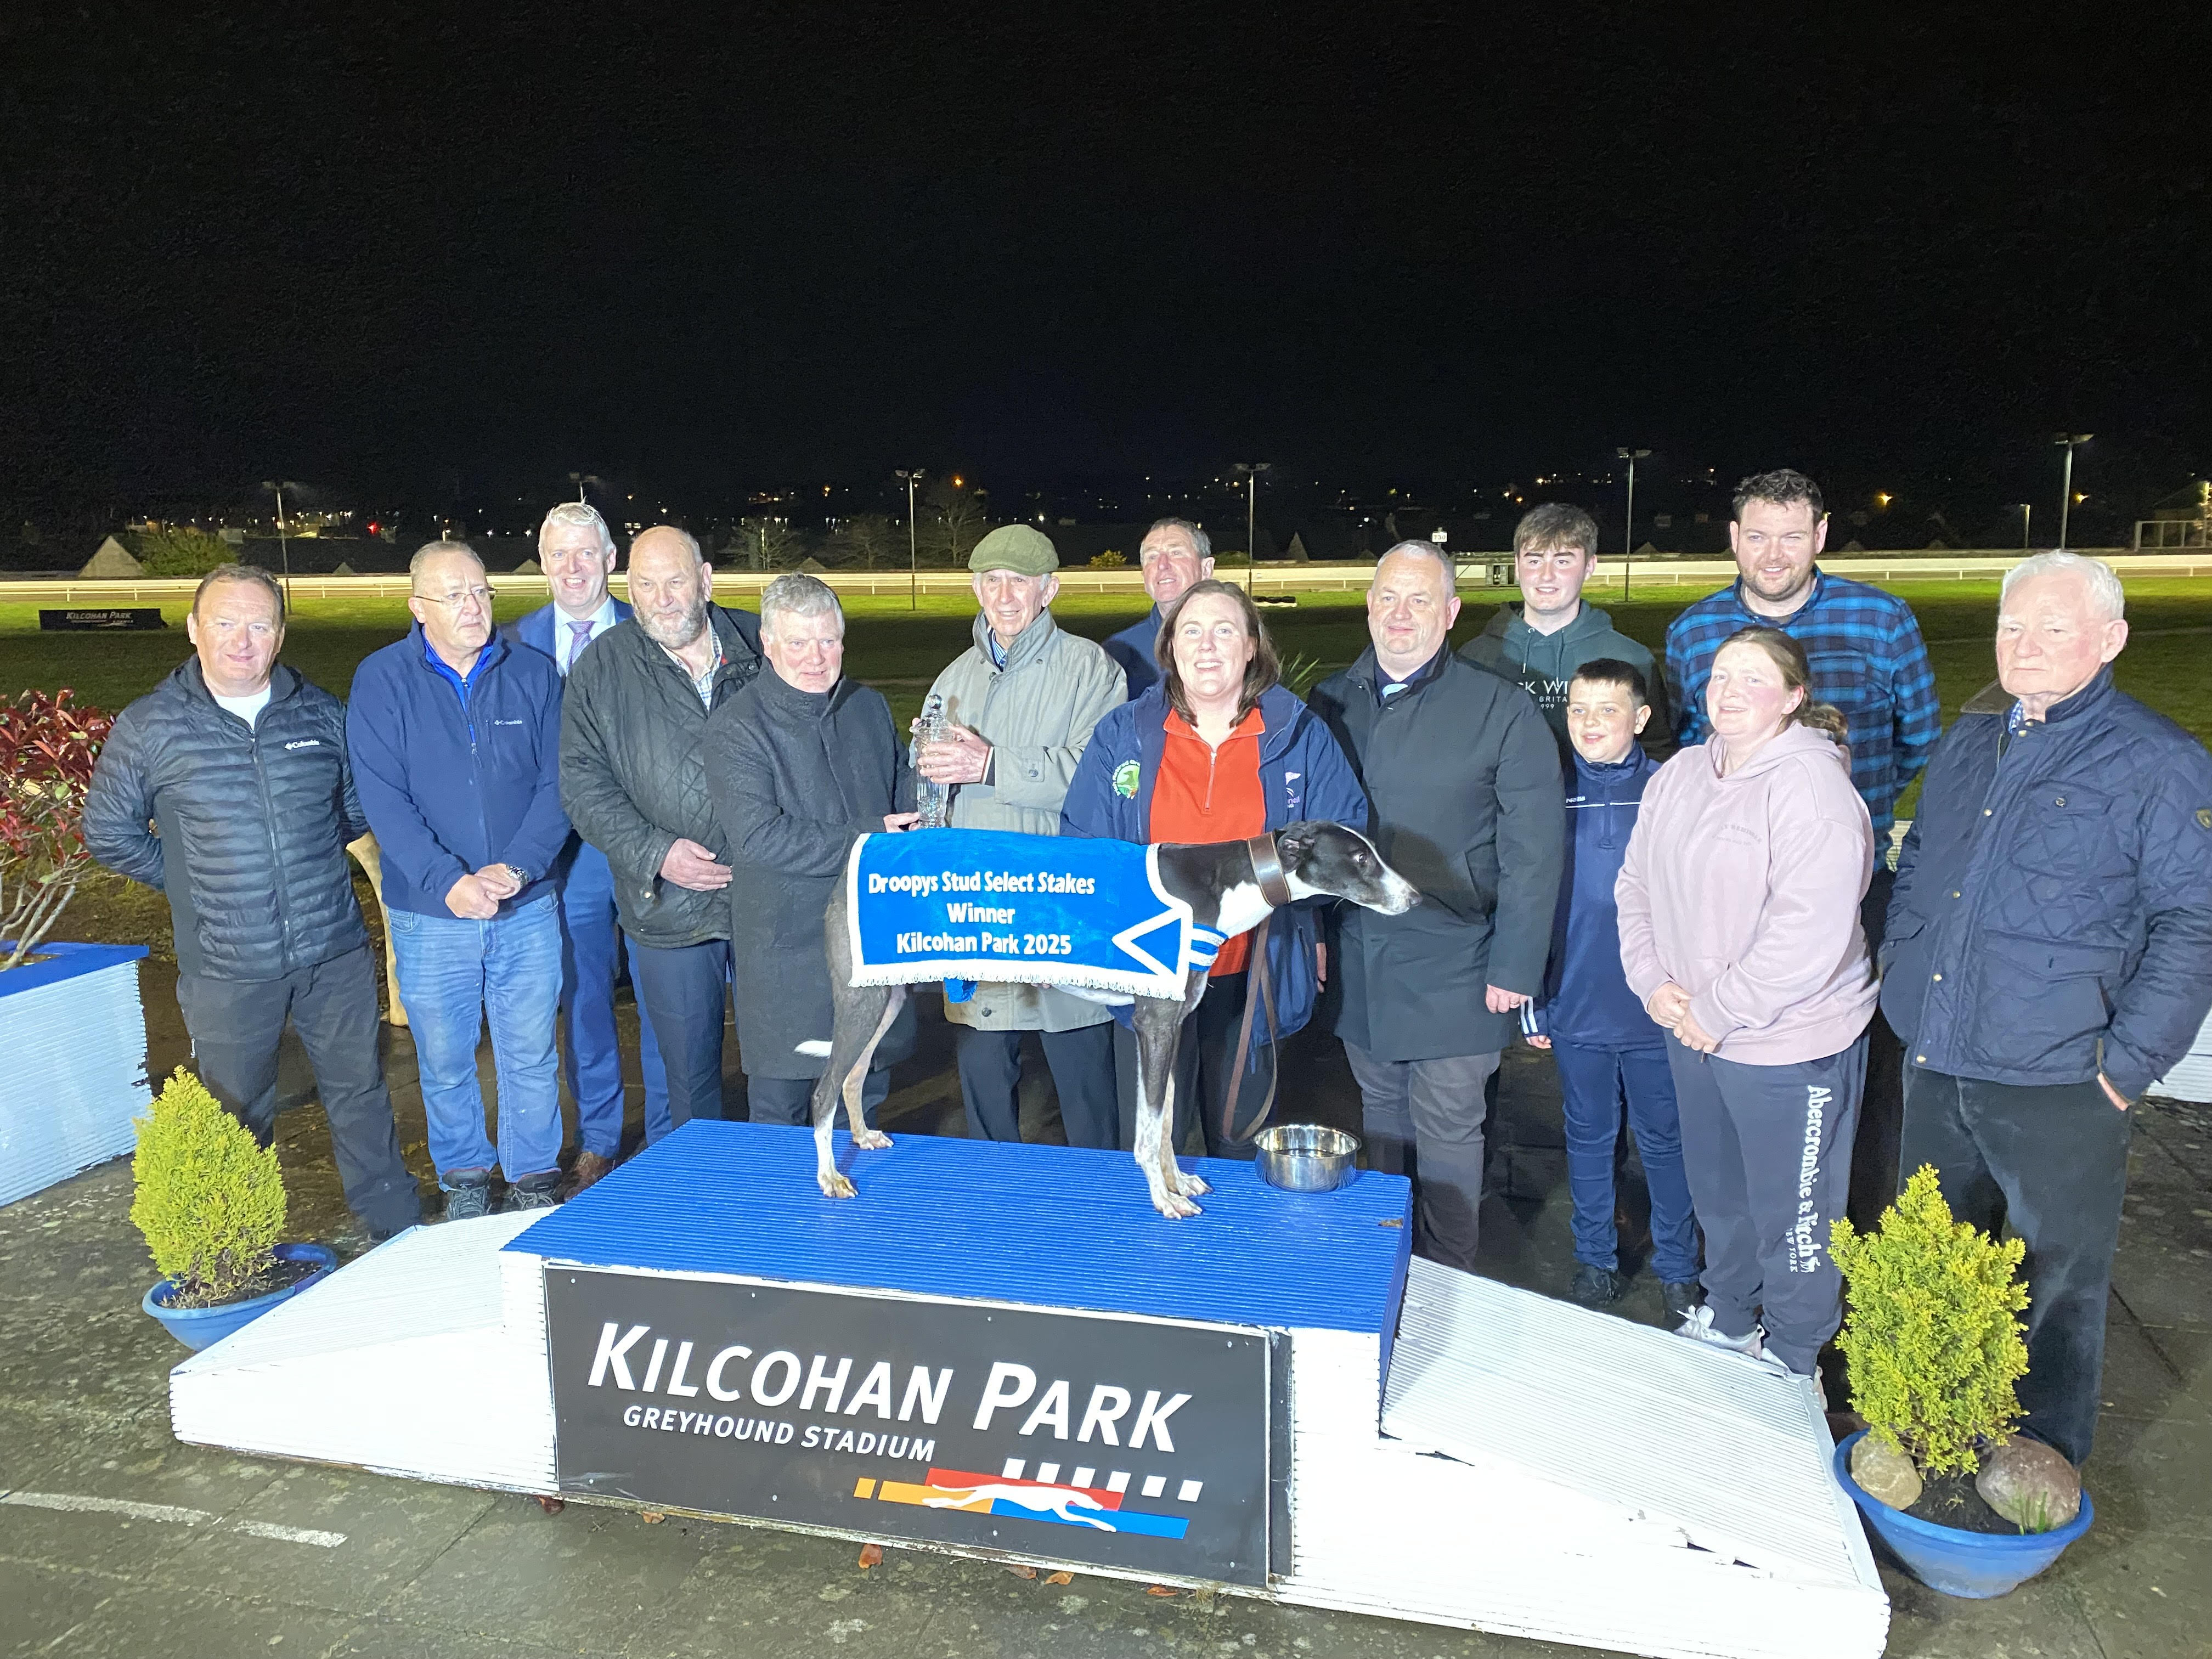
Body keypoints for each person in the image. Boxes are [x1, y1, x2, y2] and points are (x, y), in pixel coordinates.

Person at [1885, 551, 2212, 1467]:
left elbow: (2195, 919)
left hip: (2065, 1074)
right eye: (2012, 626)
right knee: (1934, 1255)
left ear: (2110, 639)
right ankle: (1925, 1431)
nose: (2023, 645)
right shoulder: (1969, 739)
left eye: (2053, 627)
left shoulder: (2158, 761)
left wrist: (2126, 1065)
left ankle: (2040, 1457)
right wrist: (1900, 967)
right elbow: (1923, 863)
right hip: (1940, 1051)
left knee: (2055, 1279)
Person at [82, 564, 421, 1241]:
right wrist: (194, 884)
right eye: (225, 623)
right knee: (236, 1111)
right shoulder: (151, 725)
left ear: (280, 634)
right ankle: (240, 1248)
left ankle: (395, 1226)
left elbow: (352, 813)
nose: (242, 641)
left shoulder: (320, 712)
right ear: (194, 630)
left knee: (360, 1092)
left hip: (333, 952)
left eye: (259, 625)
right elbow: (109, 833)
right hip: (227, 966)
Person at [1663, 469, 1938, 1233]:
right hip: (1728, 898)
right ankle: (1739, 1244)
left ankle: (1848, 1237)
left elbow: (1920, 737)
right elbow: (1690, 751)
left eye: (1792, 536)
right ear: (1734, 539)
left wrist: (1843, 816)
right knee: (1728, 1061)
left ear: (1820, 535)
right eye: (1758, 536)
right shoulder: (1693, 632)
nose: (1774, 553)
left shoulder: (1882, 619)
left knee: (1856, 1073)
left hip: (1851, 890)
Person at [1617, 626, 1876, 1385]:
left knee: (1793, 1214)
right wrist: (1652, 980)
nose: (1729, 691)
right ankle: (1731, 1318)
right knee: (1720, 1194)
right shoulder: (1681, 774)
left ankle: (1794, 1359)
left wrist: (1719, 1009)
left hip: (1790, 1044)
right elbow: (1635, 885)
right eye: (1721, 676)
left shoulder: (1814, 791)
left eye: (1753, 679)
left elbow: (1808, 931)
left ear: (1794, 698)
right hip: (1693, 1029)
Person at [1309, 541, 1564, 1272]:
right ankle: (1388, 1269)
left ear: (1450, 613)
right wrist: (1312, 933)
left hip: (1462, 960)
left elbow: (1535, 852)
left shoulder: (1501, 709)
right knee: (1382, 1119)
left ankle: (1450, 1279)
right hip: (1361, 957)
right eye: (1389, 597)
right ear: (1369, 606)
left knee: (1449, 1127)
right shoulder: (1328, 702)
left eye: (1419, 599)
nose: (1401, 614)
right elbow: (1305, 836)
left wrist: (1517, 966)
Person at [1063, 579, 1369, 1156]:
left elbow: (1344, 838)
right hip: (1151, 972)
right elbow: (1084, 845)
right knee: (1154, 1147)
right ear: (1170, 647)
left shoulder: (1299, 733)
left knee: (1240, 1147)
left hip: (1252, 973)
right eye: (1192, 631)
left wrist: (1303, 911)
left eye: (1225, 630)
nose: (1207, 646)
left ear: (1252, 646)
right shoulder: (1122, 734)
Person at [348, 541, 572, 1217]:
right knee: (445, 1059)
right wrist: (447, 880)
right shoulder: (382, 680)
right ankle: (465, 1180)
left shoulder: (533, 673)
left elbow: (560, 783)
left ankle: (533, 1180)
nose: (473, 607)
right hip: (431, 913)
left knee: (531, 1053)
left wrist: (520, 866)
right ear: (418, 607)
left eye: (480, 591)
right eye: (454, 596)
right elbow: (383, 798)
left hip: (524, 904)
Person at [916, 523, 1128, 1148]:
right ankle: (994, 1198)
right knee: (984, 1087)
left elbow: (1106, 782)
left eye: (1019, 581)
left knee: (1086, 1095)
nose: (1004, 595)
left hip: (1061, 906)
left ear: (1048, 590)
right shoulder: (951, 680)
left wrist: (991, 765)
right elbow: (929, 788)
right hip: (978, 910)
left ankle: (1101, 1199)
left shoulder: (1092, 670)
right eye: (991, 581)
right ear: (976, 589)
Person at [560, 526, 764, 1131]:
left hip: (768, 898)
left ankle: (787, 1181)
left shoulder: (764, 642)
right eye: (646, 586)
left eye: (675, 582)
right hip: (668, 905)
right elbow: (582, 784)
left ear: (705, 580)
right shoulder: (603, 665)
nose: (663, 599)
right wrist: (656, 853)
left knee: (782, 1070)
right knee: (690, 1085)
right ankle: (701, 1185)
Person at [706, 573, 920, 1125]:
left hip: (866, 942)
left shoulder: (868, 707)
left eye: (828, 640)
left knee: (864, 1101)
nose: (815, 657)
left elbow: (905, 796)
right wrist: (871, 837)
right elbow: (758, 838)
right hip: (788, 953)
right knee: (780, 1117)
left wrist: (936, 780)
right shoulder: (737, 726)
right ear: (768, 643)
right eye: (798, 642)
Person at [1523, 661, 1699, 1321]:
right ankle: (1595, 1260)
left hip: (1656, 1008)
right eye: (1578, 709)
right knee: (1590, 1139)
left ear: (1641, 718)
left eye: (1607, 710)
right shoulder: (1548, 789)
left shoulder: (1669, 790)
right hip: (1575, 1001)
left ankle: (1679, 1268)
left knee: (1666, 1141)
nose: (1590, 723)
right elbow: (1528, 901)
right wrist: (1534, 997)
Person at [504, 501, 667, 1190]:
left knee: (664, 993)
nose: (573, 567)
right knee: (583, 1000)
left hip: (646, 841)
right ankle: (599, 1136)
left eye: (586, 553)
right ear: (543, 562)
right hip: (563, 857)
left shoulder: (653, 629)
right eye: (559, 554)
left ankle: (668, 1135)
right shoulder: (513, 644)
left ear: (610, 559)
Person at [1459, 503, 1674, 761]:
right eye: (1534, 560)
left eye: (1562, 561)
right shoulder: (1474, 658)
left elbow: (1656, 751)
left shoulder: (1632, 659)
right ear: (1517, 566)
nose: (1546, 576)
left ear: (1589, 566)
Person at [1101, 518, 1217, 698]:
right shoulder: (1118, 652)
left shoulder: (1237, 643)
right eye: (1152, 557)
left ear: (1206, 569)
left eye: (1176, 553)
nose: (1162, 565)